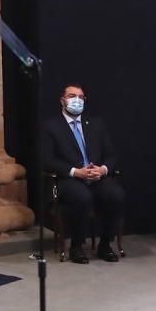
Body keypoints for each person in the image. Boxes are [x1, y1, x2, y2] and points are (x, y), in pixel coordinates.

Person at [39, 84, 125, 264]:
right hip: (68, 179)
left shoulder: (96, 124)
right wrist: (76, 172)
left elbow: (111, 155)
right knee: (82, 196)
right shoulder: (50, 126)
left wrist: (102, 169)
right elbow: (47, 160)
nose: (76, 100)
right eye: (72, 96)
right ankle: (76, 246)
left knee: (115, 195)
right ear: (62, 100)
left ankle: (105, 244)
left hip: (96, 176)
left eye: (80, 97)